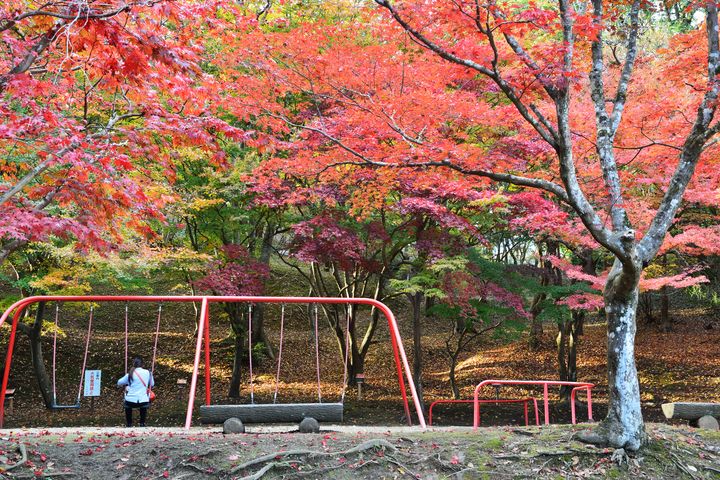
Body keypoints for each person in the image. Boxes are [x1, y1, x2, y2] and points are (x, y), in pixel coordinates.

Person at [117, 357, 154, 427]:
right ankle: (142, 423)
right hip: (143, 400)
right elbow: (152, 384)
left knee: (127, 404)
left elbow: (119, 382)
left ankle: (129, 423)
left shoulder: (130, 374)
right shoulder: (148, 373)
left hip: (130, 400)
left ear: (134, 364)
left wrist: (127, 383)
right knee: (143, 404)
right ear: (142, 364)